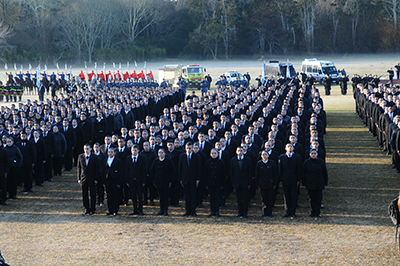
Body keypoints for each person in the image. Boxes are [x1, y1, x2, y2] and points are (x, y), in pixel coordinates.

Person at [302, 149, 328, 218]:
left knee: (318, 198)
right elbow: (303, 173)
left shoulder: (321, 162)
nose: (313, 155)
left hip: (319, 183)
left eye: (315, 153)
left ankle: (318, 212)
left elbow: (324, 173)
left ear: (317, 154)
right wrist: (304, 183)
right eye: (312, 153)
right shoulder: (306, 162)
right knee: (312, 198)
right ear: (309, 154)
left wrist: (325, 182)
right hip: (310, 183)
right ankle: (312, 212)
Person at [278, 143, 302, 217]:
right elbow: (280, 169)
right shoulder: (281, 157)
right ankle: (287, 211)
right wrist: (280, 179)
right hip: (285, 179)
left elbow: (299, 169)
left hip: (294, 179)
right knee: (286, 196)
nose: (290, 147)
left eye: (291, 146)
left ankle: (293, 211)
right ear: (285, 148)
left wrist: (298, 179)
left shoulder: (297, 157)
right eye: (288, 146)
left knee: (294, 196)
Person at [179, 142, 201, 217]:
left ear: (192, 148)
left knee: (193, 195)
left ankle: (193, 210)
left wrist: (198, 179)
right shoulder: (182, 156)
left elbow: (199, 168)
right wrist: (180, 179)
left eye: (190, 148)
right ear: (185, 148)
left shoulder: (196, 156)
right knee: (187, 196)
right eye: (187, 148)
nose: (188, 149)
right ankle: (187, 211)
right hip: (185, 179)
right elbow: (180, 168)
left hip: (193, 179)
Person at [151, 148, 175, 216]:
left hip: (166, 182)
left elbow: (172, 172)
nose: (160, 154)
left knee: (166, 196)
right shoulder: (155, 161)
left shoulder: (169, 161)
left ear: (165, 153)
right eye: (159, 152)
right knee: (161, 197)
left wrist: (170, 181)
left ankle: (166, 210)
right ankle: (161, 209)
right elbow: (152, 171)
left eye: (162, 152)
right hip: (158, 182)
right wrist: (154, 181)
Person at [230, 146, 252, 218]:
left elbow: (250, 172)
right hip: (237, 183)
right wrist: (233, 182)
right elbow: (232, 172)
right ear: (236, 151)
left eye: (241, 151)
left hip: (245, 182)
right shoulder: (233, 160)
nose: (240, 152)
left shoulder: (248, 160)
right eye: (238, 150)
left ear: (243, 151)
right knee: (238, 199)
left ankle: (245, 212)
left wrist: (249, 183)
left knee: (245, 199)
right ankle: (240, 212)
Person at [77, 144, 99, 215]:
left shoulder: (94, 157)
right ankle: (86, 208)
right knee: (84, 194)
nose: (86, 150)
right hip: (83, 178)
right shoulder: (80, 156)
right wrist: (79, 178)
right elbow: (79, 168)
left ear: (90, 149)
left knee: (93, 194)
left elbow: (97, 169)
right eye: (85, 149)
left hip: (92, 178)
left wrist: (96, 179)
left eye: (87, 149)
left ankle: (93, 208)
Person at [255, 150, 278, 217]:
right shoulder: (259, 163)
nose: (264, 156)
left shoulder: (272, 163)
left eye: (266, 154)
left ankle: (270, 212)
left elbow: (275, 174)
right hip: (262, 184)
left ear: (268, 155)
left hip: (270, 184)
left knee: (270, 198)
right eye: (263, 154)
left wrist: (274, 184)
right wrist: (258, 184)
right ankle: (265, 212)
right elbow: (257, 174)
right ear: (261, 156)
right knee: (264, 199)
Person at [125, 144, 146, 215]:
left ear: (138, 151)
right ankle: (134, 210)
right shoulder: (128, 158)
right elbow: (127, 170)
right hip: (131, 180)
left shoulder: (142, 158)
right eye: (133, 150)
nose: (134, 152)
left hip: (139, 180)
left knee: (140, 196)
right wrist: (127, 180)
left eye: (135, 150)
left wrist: (143, 181)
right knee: (133, 196)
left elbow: (144, 170)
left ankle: (140, 210)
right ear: (131, 150)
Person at [204, 148, 225, 217]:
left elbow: (223, 174)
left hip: (218, 182)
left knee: (217, 197)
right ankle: (212, 211)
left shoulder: (221, 162)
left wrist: (222, 183)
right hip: (210, 182)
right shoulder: (207, 162)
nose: (213, 155)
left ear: (217, 154)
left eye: (215, 153)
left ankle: (217, 211)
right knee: (211, 197)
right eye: (212, 153)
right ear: (210, 154)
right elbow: (205, 173)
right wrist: (206, 183)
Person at [103, 148, 123, 216]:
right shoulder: (105, 160)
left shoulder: (118, 161)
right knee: (109, 196)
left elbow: (121, 172)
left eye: (111, 152)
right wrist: (103, 182)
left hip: (115, 180)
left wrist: (119, 182)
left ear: (114, 153)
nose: (110, 153)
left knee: (115, 196)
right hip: (107, 180)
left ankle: (115, 210)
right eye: (109, 152)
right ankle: (110, 210)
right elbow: (103, 172)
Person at [0, 139, 9, 206]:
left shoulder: (4, 151)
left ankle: (3, 199)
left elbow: (7, 162)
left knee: (3, 186)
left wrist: (6, 171)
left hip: (2, 171)